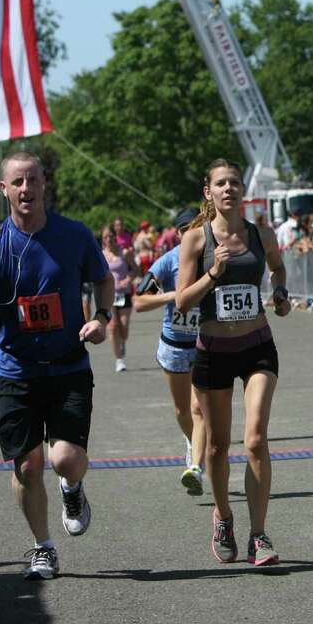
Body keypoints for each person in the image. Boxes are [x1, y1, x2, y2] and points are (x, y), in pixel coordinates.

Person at [0, 151, 113, 580]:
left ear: (44, 185)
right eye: (17, 182)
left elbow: (104, 279)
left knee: (65, 459)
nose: (27, 189)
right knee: (26, 466)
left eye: (33, 181)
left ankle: (73, 489)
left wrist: (102, 317)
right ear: (4, 189)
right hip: (15, 372)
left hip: (67, 367)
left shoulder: (73, 235)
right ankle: (43, 547)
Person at [176, 158, 291, 566]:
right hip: (214, 352)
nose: (229, 189)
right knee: (220, 446)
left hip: (257, 345)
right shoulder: (195, 239)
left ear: (243, 191)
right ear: (208, 192)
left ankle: (258, 534)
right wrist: (214, 273)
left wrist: (280, 294)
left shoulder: (261, 234)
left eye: (235, 183)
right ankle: (223, 515)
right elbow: (182, 300)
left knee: (256, 439)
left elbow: (278, 269)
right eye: (221, 184)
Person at [135, 208, 207, 495]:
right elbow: (139, 301)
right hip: (175, 346)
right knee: (182, 410)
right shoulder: (167, 261)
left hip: (204, 345)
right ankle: (191, 442)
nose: (191, 232)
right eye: (185, 228)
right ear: (177, 233)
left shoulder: (211, 256)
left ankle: (197, 466)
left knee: (198, 408)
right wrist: (173, 296)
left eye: (196, 226)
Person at [101, 225, 138, 372]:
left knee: (123, 327)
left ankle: (122, 341)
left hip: (124, 294)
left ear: (114, 236)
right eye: (105, 237)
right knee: (112, 326)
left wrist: (128, 280)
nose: (108, 239)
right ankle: (119, 359)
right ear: (102, 239)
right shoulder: (100, 255)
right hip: (108, 295)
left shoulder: (124, 253)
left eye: (110, 236)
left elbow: (136, 269)